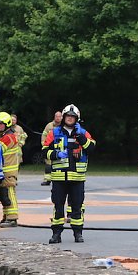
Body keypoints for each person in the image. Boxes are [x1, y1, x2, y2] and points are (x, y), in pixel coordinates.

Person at [43, 104, 94, 244]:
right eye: (68, 116)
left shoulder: (83, 132)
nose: (70, 118)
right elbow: (44, 151)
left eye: (73, 116)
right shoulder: (54, 133)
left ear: (77, 118)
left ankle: (78, 233)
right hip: (59, 177)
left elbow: (92, 148)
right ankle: (56, 234)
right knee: (58, 206)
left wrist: (81, 138)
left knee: (77, 207)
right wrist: (56, 154)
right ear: (64, 117)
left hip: (77, 177)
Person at [0, 112, 21, 227]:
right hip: (2, 171)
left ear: (7, 124)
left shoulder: (9, 137)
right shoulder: (2, 136)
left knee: (9, 194)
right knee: (3, 194)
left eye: (1, 124)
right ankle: (6, 217)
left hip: (9, 171)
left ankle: (12, 218)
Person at [41, 111, 62, 186]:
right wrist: (43, 143)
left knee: (59, 164)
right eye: (56, 116)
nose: (58, 118)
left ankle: (58, 179)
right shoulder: (49, 126)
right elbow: (44, 134)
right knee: (48, 165)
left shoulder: (64, 126)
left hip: (60, 148)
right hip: (49, 148)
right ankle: (47, 179)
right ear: (54, 117)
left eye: (59, 116)